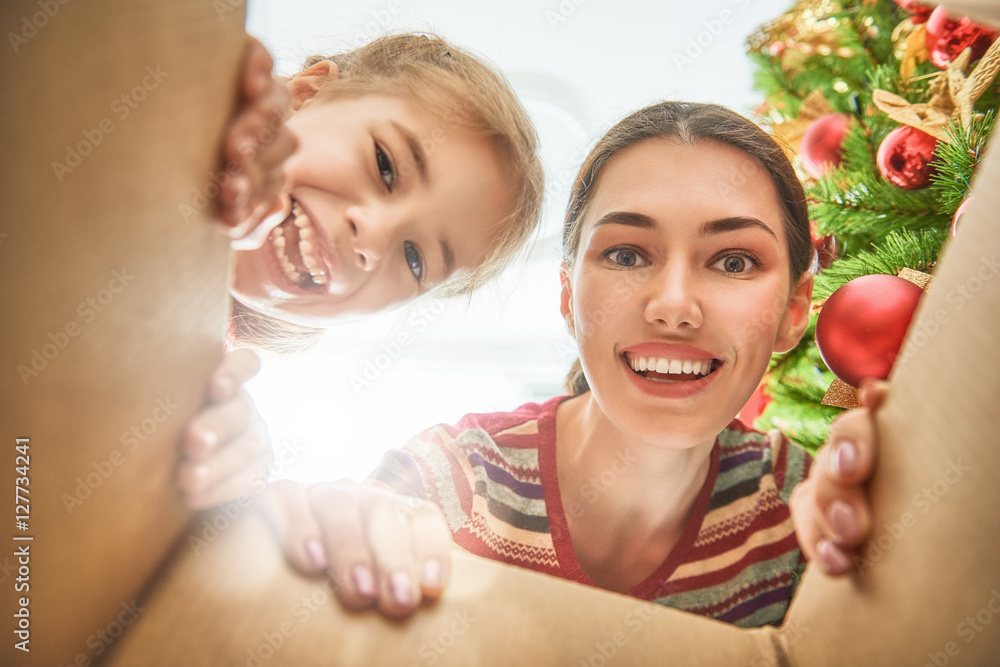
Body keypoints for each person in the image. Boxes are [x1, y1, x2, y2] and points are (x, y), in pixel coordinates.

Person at [184, 100, 881, 626]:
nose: (675, 306)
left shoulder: (802, 513)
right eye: (627, 254)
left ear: (795, 309)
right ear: (567, 296)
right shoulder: (450, 485)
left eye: (733, 261)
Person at [216, 33, 544, 351]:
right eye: (384, 166)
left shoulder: (200, 380)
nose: (374, 238)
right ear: (303, 95)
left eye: (415, 260)